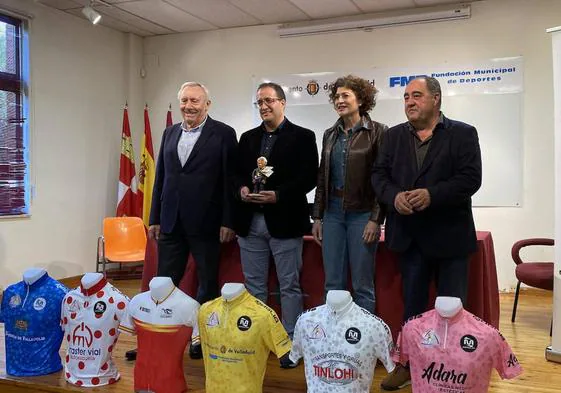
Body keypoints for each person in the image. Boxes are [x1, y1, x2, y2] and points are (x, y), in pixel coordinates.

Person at [371, 76, 482, 390]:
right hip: (409, 236)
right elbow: (379, 176)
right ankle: (408, 365)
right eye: (406, 96)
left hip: (449, 237)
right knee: (413, 310)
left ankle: (453, 371)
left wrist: (433, 194)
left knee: (452, 310)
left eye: (416, 95)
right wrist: (393, 197)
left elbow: (471, 178)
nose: (409, 102)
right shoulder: (392, 137)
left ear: (436, 99)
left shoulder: (462, 133)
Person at [146, 81, 237, 357]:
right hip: (171, 221)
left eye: (195, 101)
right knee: (164, 282)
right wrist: (154, 217)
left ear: (207, 104)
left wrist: (228, 220)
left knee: (207, 283)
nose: (188, 106)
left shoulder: (223, 133)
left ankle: (201, 337)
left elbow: (230, 181)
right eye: (184, 100)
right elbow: (161, 177)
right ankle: (161, 335)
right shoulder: (169, 132)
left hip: (207, 222)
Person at [234, 82, 318, 352]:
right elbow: (235, 173)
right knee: (254, 286)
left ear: (283, 102)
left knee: (289, 285)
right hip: (250, 222)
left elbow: (308, 178)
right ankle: (259, 337)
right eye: (259, 102)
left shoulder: (303, 136)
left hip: (285, 220)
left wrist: (278, 195)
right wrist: (242, 189)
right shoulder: (247, 138)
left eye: (269, 100)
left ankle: (291, 340)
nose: (264, 106)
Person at [311, 75, 387, 314]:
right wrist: (318, 217)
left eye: (346, 96)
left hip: (363, 214)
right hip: (332, 213)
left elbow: (382, 180)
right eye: (336, 96)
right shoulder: (329, 134)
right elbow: (322, 178)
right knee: (333, 283)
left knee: (362, 285)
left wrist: (376, 219)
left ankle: (364, 342)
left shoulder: (378, 132)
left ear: (361, 100)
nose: (340, 101)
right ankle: (333, 340)